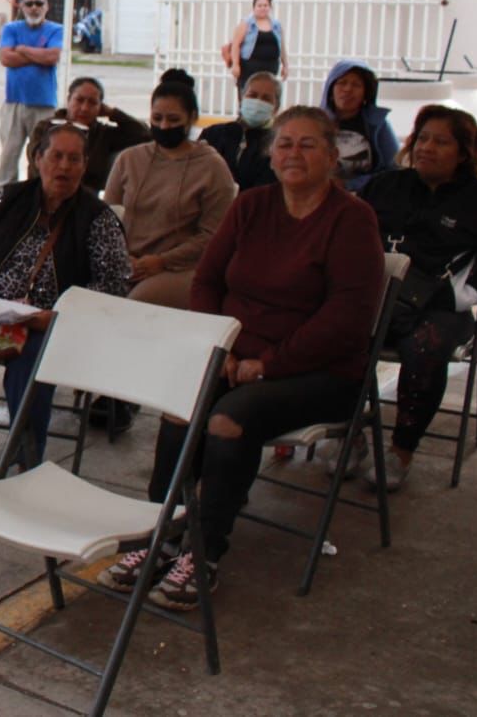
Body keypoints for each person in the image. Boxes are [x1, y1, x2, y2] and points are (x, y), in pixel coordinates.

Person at [98, 107, 383, 610]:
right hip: (235, 357)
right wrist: (222, 344)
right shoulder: (251, 205)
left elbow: (347, 319)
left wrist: (267, 363)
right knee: (178, 403)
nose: (292, 153)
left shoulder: (352, 220)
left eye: (307, 144)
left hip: (320, 372)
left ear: (333, 157)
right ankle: (161, 534)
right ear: (271, 155)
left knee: (230, 418)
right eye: (285, 143)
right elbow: (206, 281)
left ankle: (204, 553)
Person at [0, 124, 132, 486]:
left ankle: (26, 461)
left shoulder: (96, 218)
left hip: (50, 324)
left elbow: (112, 285)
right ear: (37, 159)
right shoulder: (8, 198)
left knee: (31, 363)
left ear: (85, 164)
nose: (64, 167)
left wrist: (55, 317)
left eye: (73, 159)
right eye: (56, 156)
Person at [359, 105, 477, 490]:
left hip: (441, 309)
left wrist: (458, 297)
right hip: (375, 299)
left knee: (426, 345)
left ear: (463, 151)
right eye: (422, 138)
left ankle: (400, 450)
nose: (427, 147)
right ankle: (350, 432)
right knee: (335, 331)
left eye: (441, 141)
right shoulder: (384, 186)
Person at [104, 75, 236, 310]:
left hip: (183, 267)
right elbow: (107, 218)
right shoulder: (130, 159)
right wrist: (123, 258)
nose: (164, 126)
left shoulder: (212, 167)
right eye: (157, 118)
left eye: (173, 119)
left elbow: (213, 235)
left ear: (192, 119)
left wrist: (162, 261)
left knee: (134, 306)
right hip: (126, 261)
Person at [26, 75, 150, 194]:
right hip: (43, 193)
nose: (85, 108)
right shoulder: (46, 127)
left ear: (101, 107)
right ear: (68, 100)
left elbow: (146, 135)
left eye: (92, 103)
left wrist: (113, 113)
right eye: (79, 100)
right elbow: (35, 160)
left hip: (85, 202)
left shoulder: (103, 134)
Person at [0, 0, 64, 185]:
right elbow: (6, 58)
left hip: (44, 104)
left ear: (47, 6)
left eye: (39, 3)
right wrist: (38, 55)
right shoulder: (11, 29)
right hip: (14, 103)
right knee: (9, 154)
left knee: (42, 155)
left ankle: (39, 195)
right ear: (22, 7)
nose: (34, 8)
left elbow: (52, 57)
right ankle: (5, 198)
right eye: (29, 4)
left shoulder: (56, 30)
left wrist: (23, 49)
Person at [320, 58, 399, 190]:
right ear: (330, 90)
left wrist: (351, 184)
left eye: (356, 85)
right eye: (342, 83)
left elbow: (394, 169)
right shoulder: (315, 122)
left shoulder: (378, 124)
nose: (347, 89)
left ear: (366, 93)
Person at [200, 71, 282, 191]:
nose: (258, 102)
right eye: (252, 95)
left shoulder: (277, 145)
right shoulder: (213, 134)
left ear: (276, 107)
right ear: (241, 98)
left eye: (266, 98)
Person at [224, 0, 289, 92]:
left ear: (270, 7)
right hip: (249, 69)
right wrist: (236, 64)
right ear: (254, 7)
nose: (263, 8)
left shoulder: (276, 25)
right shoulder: (246, 24)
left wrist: (285, 65)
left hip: (270, 68)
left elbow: (282, 46)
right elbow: (235, 45)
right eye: (260, 5)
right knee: (249, 95)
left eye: (265, 5)